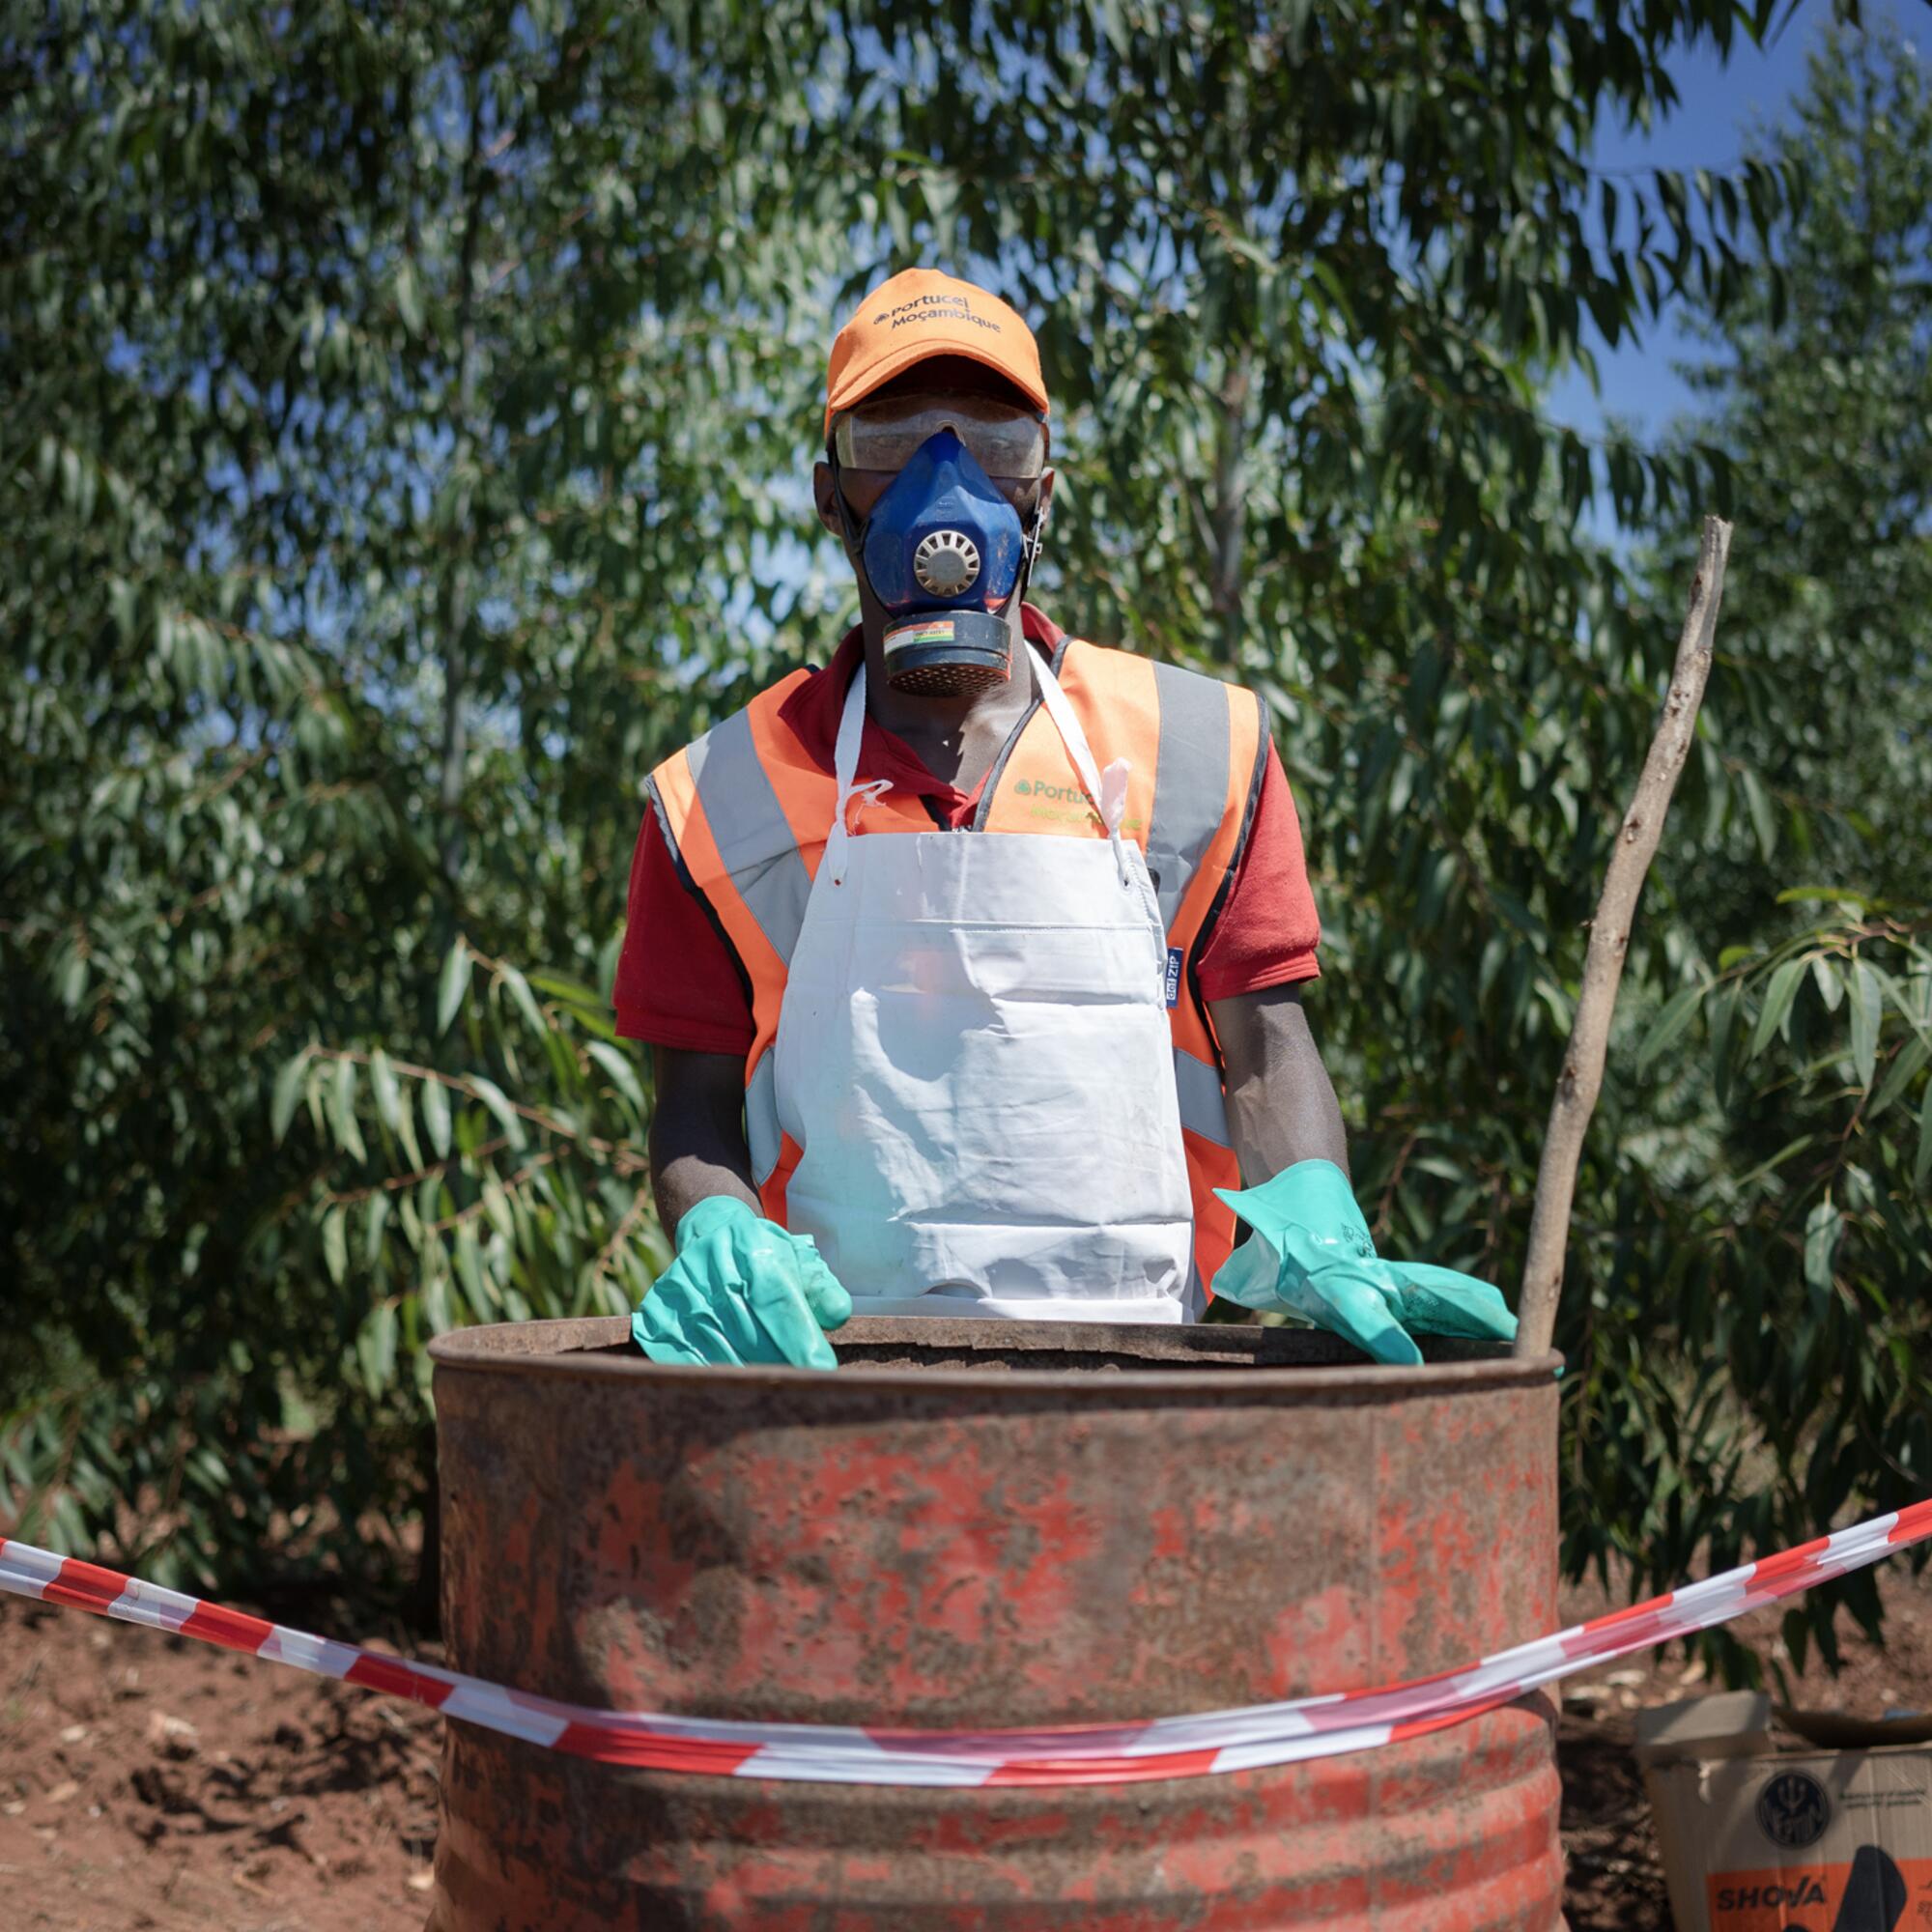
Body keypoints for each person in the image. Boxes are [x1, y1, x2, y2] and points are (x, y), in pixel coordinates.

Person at [613, 269, 1513, 1370]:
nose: (944, 490)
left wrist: (1316, 1211)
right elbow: (692, 1104)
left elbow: (1265, 1052)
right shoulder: (717, 796)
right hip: (825, 1383)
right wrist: (712, 1226)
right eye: (893, 440)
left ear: (1040, 492)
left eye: (992, 443)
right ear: (829, 492)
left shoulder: (1196, 751)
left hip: (1141, 1377)